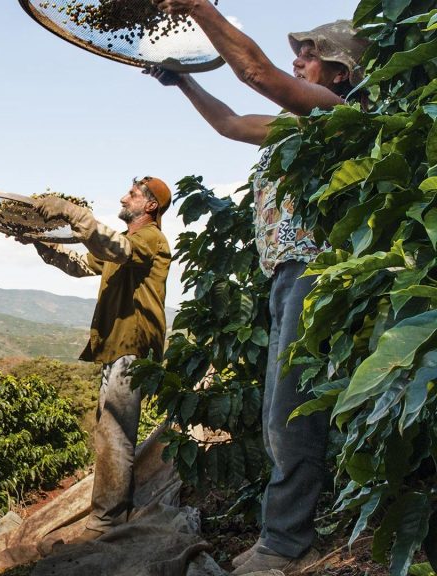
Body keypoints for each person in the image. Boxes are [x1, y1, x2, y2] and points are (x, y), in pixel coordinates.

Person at [146, 2, 368, 574]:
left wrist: (196, 7)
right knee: (281, 410)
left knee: (291, 413)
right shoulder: (298, 125)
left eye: (311, 55)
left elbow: (257, 75)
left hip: (317, 271)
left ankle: (286, 543)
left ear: (341, 73)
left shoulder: (338, 114)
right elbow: (229, 123)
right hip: (285, 275)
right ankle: (284, 534)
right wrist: (185, 83)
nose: (298, 60)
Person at [24, 177, 172, 540]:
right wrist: (41, 243)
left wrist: (73, 212)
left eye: (133, 194)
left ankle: (106, 521)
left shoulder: (149, 239)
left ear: (150, 206)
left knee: (115, 435)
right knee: (108, 432)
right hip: (118, 346)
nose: (124, 197)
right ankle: (107, 516)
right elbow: (80, 263)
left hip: (132, 347)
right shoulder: (122, 246)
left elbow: (115, 247)